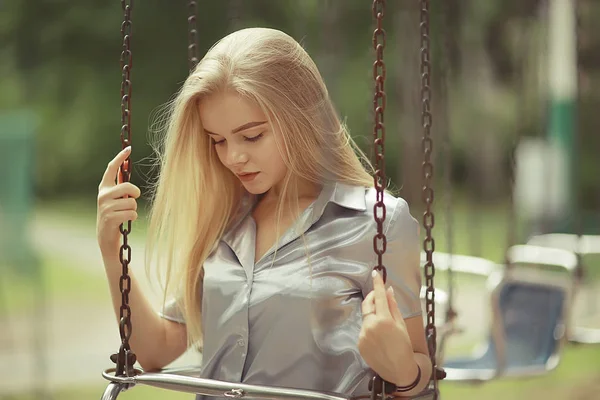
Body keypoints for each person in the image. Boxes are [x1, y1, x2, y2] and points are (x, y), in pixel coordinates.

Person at [96, 27, 432, 398]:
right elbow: (156, 350)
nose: (233, 157)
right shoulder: (222, 219)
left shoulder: (375, 222)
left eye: (251, 136)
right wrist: (112, 252)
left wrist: (402, 368)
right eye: (218, 141)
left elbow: (417, 368)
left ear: (301, 117)